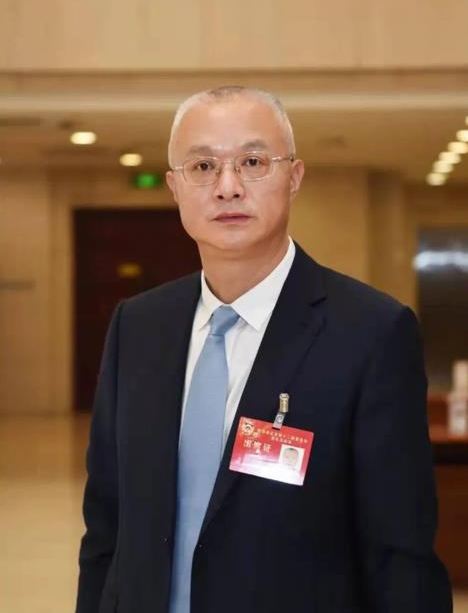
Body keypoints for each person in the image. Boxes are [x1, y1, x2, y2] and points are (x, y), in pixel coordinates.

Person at [76, 86, 452, 613]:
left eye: (252, 162)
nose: (227, 187)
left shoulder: (370, 333)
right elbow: (107, 526)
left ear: (294, 177)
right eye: (202, 167)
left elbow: (400, 557)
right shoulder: (138, 326)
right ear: (175, 187)